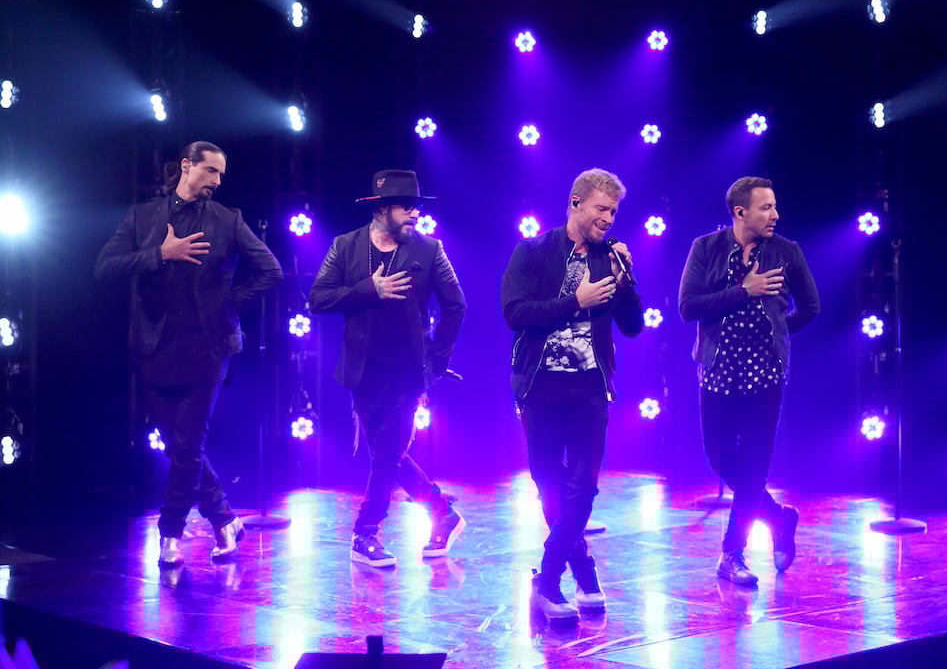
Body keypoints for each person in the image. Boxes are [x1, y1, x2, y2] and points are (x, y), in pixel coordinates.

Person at [96, 141, 282, 567]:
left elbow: (271, 270)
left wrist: (228, 304)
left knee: (188, 441)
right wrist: (160, 254)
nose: (217, 181)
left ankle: (171, 533)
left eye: (221, 174)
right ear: (186, 166)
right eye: (211, 171)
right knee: (177, 445)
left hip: (209, 347)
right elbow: (104, 266)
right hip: (155, 346)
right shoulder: (142, 217)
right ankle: (224, 517)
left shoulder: (228, 220)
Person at [500, 168, 644, 622]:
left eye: (614, 212)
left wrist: (627, 281)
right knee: (549, 482)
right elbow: (515, 312)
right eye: (602, 209)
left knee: (583, 484)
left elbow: (633, 327)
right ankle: (582, 565)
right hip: (540, 385)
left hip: (589, 387)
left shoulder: (609, 258)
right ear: (576, 203)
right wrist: (575, 301)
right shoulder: (533, 251)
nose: (608, 218)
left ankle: (547, 579)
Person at [309, 169, 467, 567]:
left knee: (385, 456)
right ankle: (441, 511)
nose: (415, 213)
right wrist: (369, 290)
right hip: (363, 372)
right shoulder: (345, 247)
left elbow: (456, 306)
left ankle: (366, 531)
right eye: (406, 206)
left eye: (416, 206)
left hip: (408, 373)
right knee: (386, 453)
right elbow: (318, 298)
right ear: (382, 209)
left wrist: (437, 362)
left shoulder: (429, 250)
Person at [678, 176, 819, 586]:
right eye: (765, 207)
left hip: (765, 373)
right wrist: (744, 290)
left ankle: (732, 552)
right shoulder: (706, 248)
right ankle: (777, 516)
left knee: (756, 462)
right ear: (740, 212)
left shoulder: (787, 252)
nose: (775, 215)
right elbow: (688, 307)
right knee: (720, 456)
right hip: (718, 370)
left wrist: (779, 334)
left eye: (774, 206)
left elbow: (810, 306)